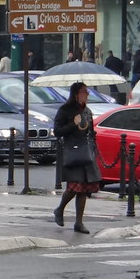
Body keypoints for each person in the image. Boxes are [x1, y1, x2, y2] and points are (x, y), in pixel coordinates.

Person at [53, 82, 102, 235]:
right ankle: (60, 209)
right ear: (76, 94)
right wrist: (72, 125)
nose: (87, 94)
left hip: (85, 153)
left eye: (87, 92)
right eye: (84, 92)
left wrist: (93, 146)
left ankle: (79, 222)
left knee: (84, 189)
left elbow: (91, 131)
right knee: (74, 187)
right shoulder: (65, 110)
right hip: (73, 152)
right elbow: (57, 131)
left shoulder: (87, 111)